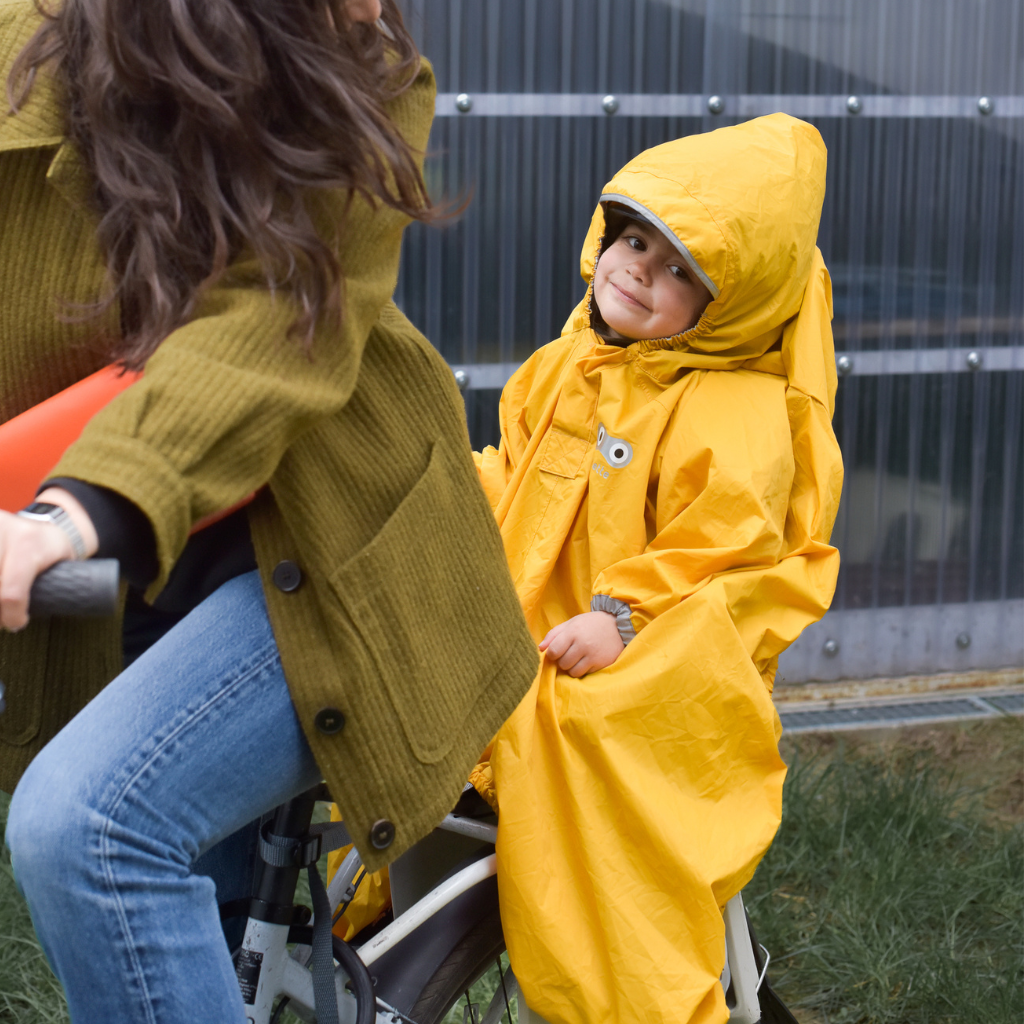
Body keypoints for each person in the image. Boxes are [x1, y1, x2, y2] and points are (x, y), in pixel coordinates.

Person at [0, 1, 537, 1021]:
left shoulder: (360, 67)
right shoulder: (28, 52)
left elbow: (274, 323)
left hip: (325, 549)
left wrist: (72, 513)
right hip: (126, 561)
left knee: (92, 830)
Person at [469, 114, 844, 1024]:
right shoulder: (569, 364)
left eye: (683, 270)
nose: (639, 269)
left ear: (738, 307)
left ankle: (626, 995)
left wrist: (623, 616)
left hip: (657, 658)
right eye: (635, 240)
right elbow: (508, 479)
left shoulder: (732, 412)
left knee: (581, 766)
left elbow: (723, 553)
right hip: (530, 624)